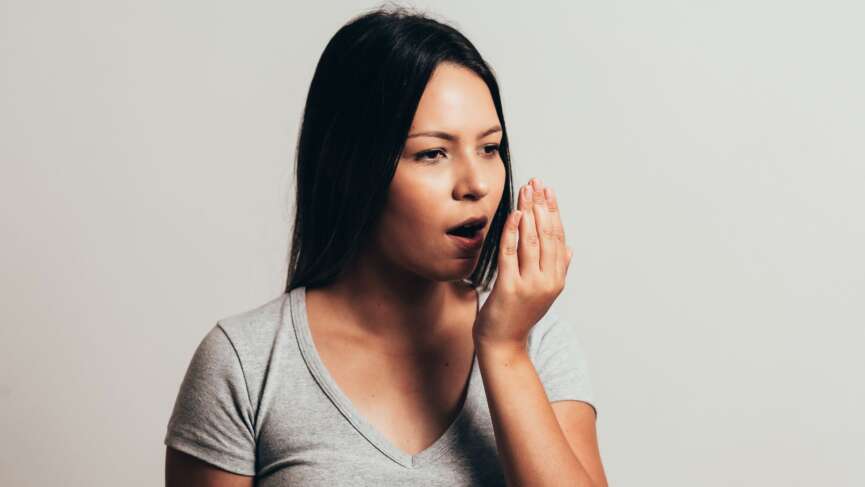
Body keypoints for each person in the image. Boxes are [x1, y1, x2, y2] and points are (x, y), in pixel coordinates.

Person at [164, 5, 608, 486]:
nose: (476, 183)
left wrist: (503, 351)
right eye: (432, 153)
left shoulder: (538, 346)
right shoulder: (244, 363)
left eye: (490, 148)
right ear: (350, 166)